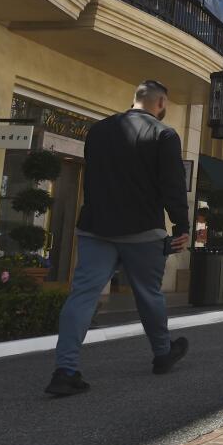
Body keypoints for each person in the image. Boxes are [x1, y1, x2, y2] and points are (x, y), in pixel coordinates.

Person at [45, 80, 191, 396]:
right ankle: (162, 354)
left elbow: (94, 176)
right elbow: (172, 185)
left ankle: (64, 370)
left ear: (135, 99)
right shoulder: (164, 135)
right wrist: (182, 226)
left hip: (96, 226)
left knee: (82, 295)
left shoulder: (98, 131)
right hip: (142, 230)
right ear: (161, 103)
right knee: (148, 294)